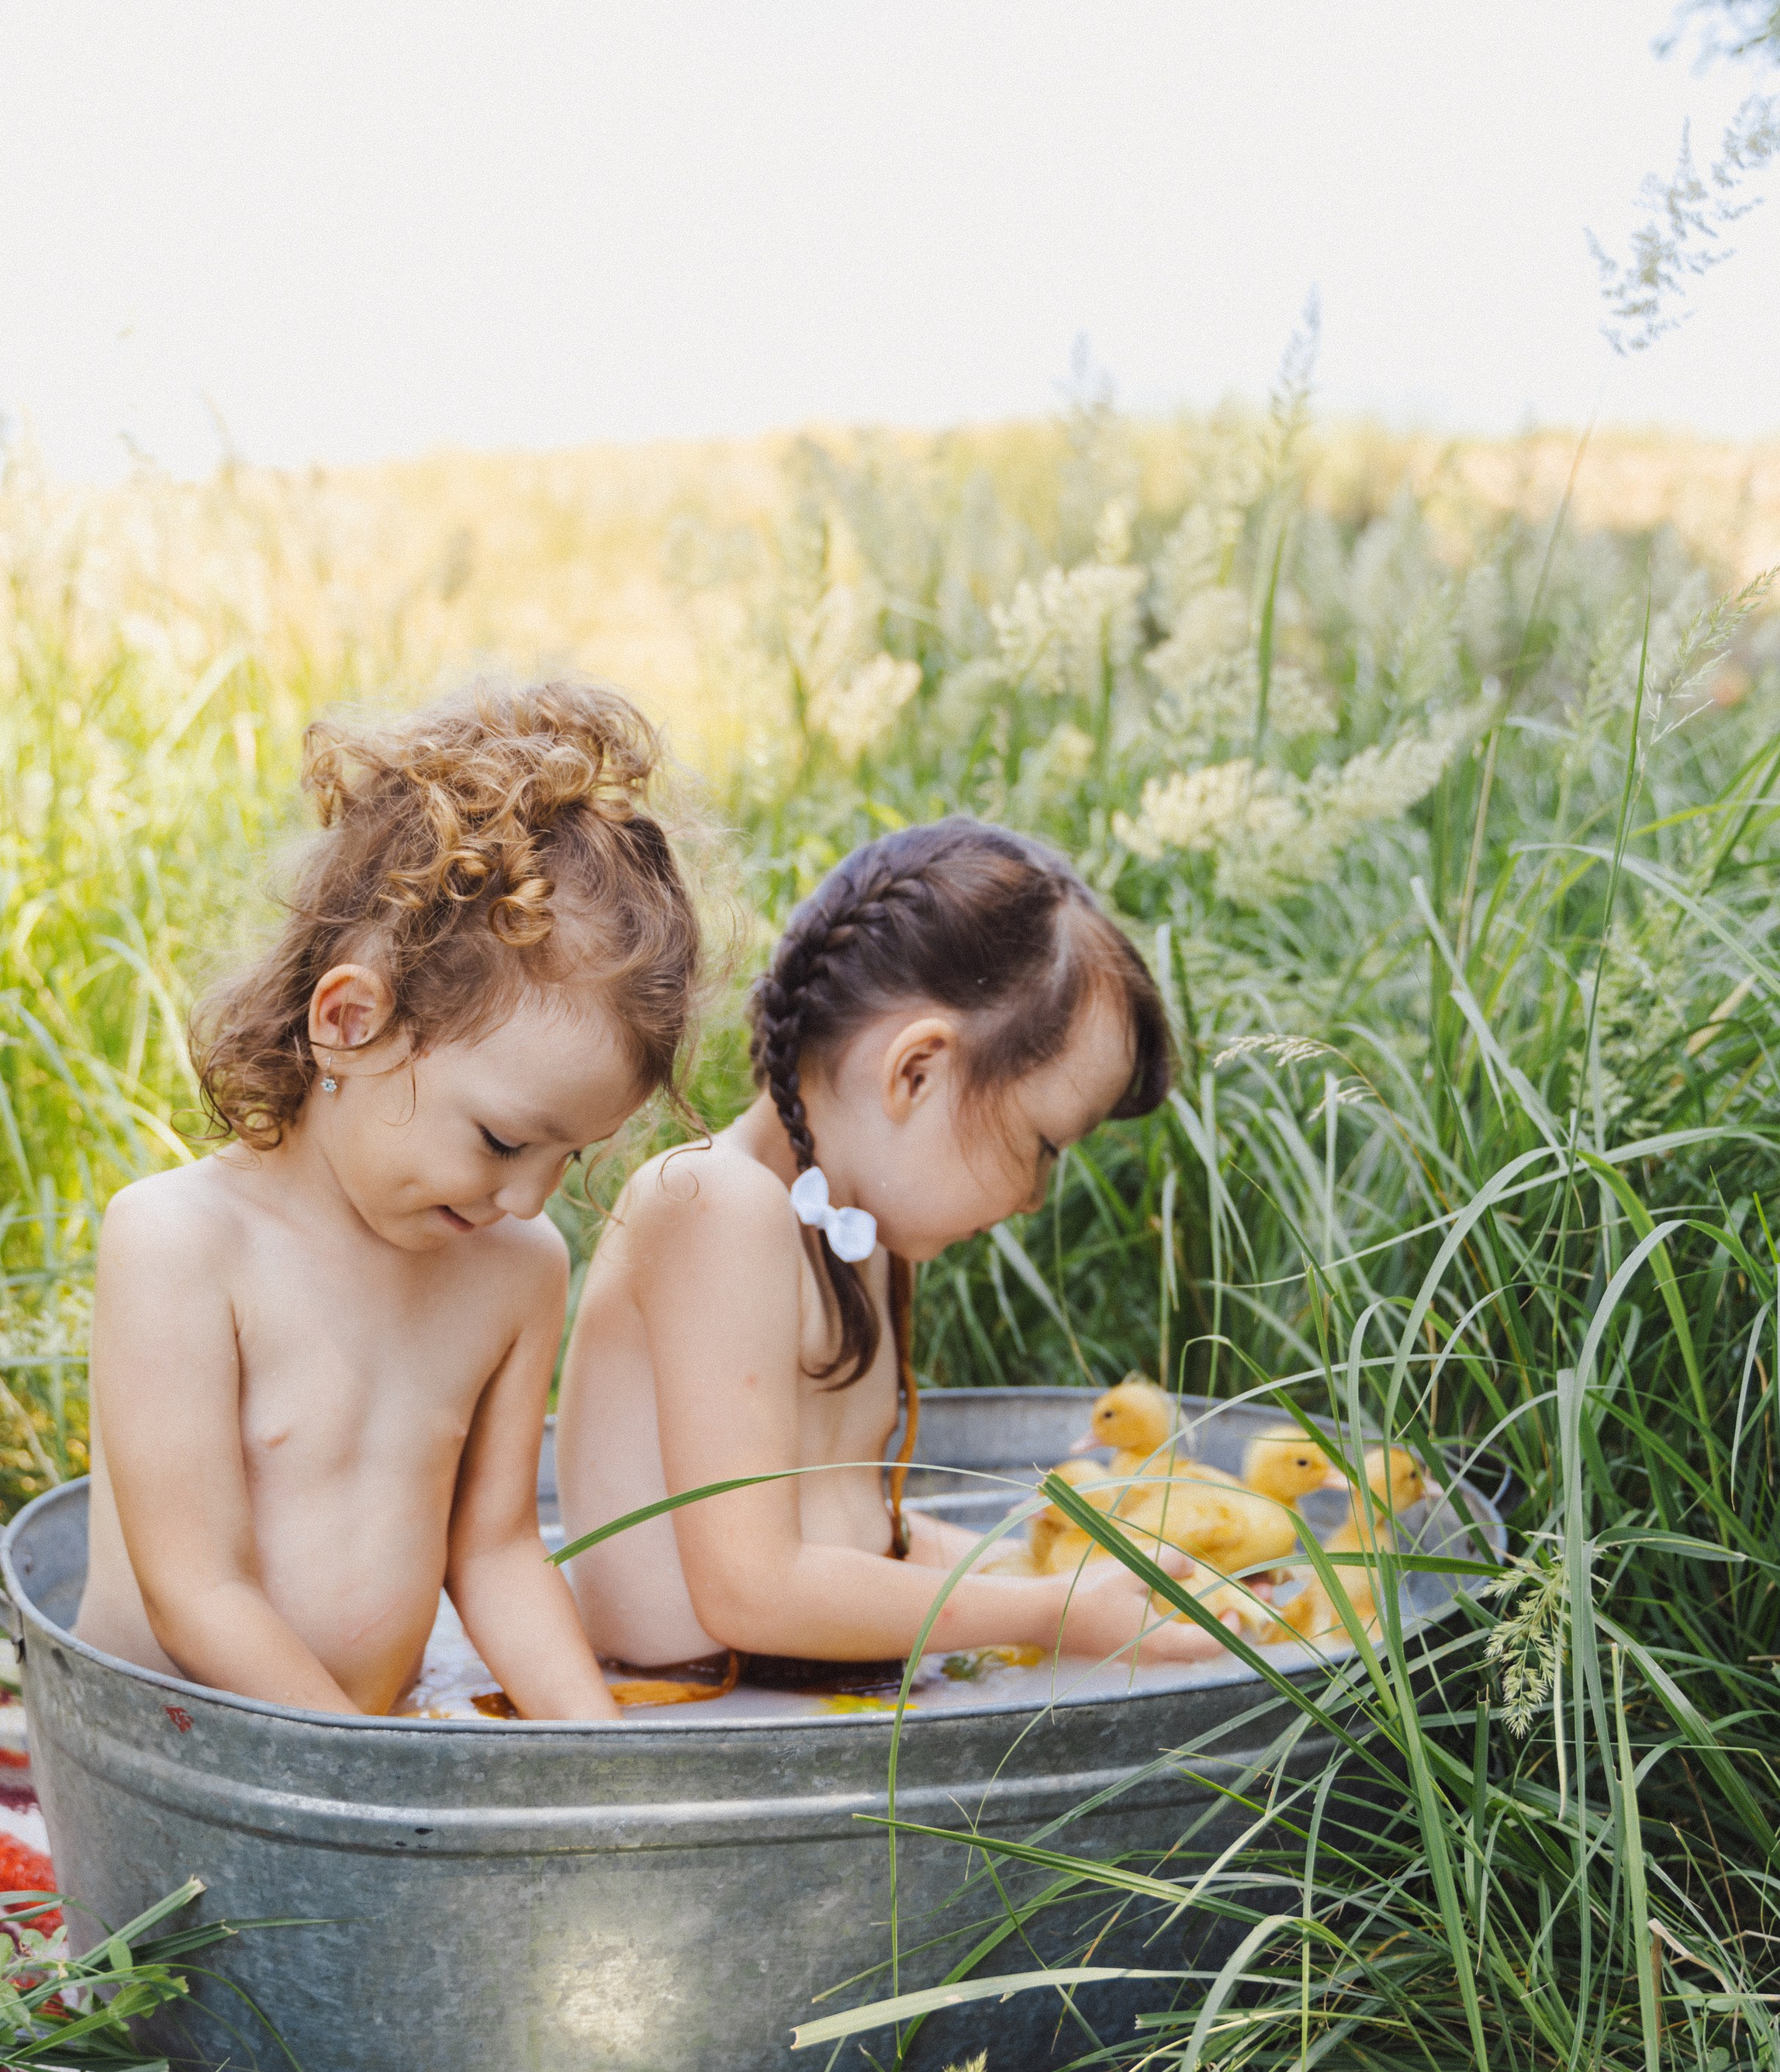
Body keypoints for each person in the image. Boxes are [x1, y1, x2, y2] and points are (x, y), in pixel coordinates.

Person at [77, 681, 700, 1720]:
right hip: (180, 1745)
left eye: (568, 1154)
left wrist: (598, 1759)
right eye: (504, 1139)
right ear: (353, 1022)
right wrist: (363, 1771)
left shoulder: (516, 1267)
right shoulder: (181, 1245)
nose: (530, 1195)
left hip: (375, 1738)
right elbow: (197, 1593)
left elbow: (495, 1550)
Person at [555, 818, 1219, 1681]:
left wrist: (1072, 1572)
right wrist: (1054, 1614)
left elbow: (855, 1532)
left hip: (795, 1698)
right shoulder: (714, 1204)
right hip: (688, 1717)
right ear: (916, 1072)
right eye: (1044, 1144)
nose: (1033, 1197)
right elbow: (751, 1590)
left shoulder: (854, 1224)